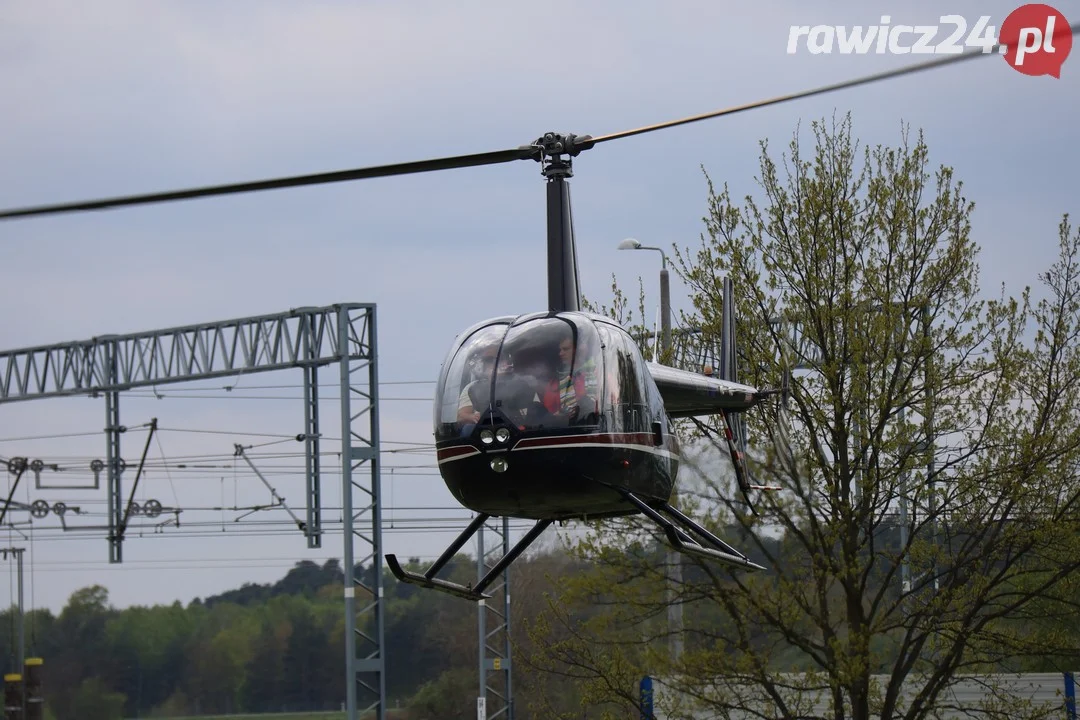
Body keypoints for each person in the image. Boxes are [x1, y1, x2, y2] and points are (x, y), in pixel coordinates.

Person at [543, 330, 599, 424]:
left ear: (577, 349)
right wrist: (559, 415)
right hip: (565, 430)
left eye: (565, 349)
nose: (560, 353)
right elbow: (548, 413)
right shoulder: (555, 381)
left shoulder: (596, 373)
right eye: (560, 350)